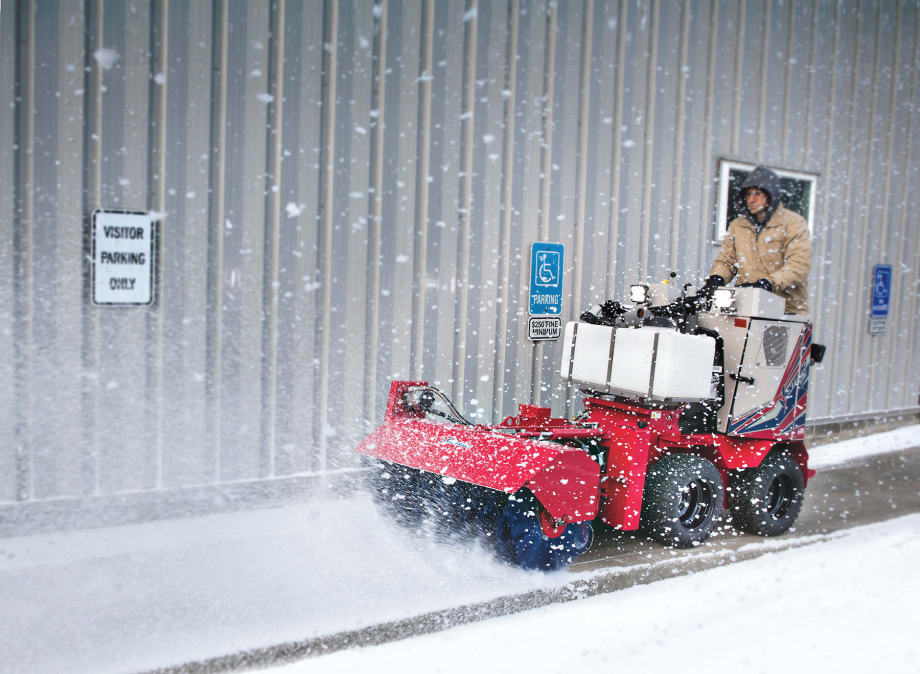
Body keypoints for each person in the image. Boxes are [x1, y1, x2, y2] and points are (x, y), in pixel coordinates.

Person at [700, 166, 812, 314]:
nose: (751, 200)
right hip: (746, 307)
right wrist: (716, 278)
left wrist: (768, 284)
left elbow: (798, 266)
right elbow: (727, 261)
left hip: (786, 311)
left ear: (771, 195)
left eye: (758, 194)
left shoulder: (793, 223)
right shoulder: (738, 225)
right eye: (748, 194)